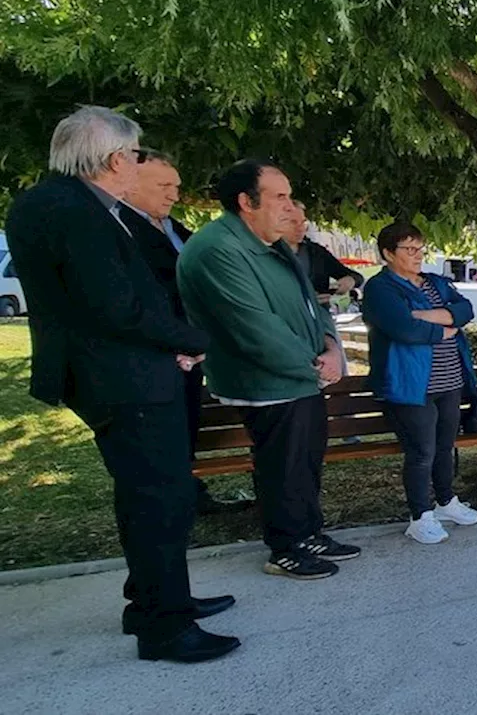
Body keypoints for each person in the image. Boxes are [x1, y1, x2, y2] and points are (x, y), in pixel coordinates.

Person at [5, 106, 238, 662]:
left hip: (120, 372)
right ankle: (166, 627)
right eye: (136, 155)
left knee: (152, 494)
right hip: (122, 378)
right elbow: (119, 306)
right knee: (161, 498)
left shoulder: (56, 202)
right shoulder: (74, 210)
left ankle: (155, 599)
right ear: (115, 159)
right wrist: (196, 340)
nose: (138, 164)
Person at [178, 159, 360, 580]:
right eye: (279, 196)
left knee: (305, 461)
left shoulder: (272, 244)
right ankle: (286, 547)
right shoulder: (218, 250)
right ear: (246, 201)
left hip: (303, 376)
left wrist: (332, 347)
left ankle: (309, 533)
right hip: (267, 382)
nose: (289, 206)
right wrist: (315, 368)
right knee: (282, 465)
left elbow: (313, 307)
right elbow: (255, 329)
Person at [118, 149, 245, 515]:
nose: (174, 194)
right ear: (129, 184)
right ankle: (171, 502)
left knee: (185, 423)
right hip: (158, 353)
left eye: (176, 185)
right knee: (159, 440)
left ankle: (187, 491)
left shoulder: (177, 230)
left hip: (193, 350)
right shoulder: (120, 229)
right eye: (164, 185)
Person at [362, 221, 477, 544]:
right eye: (409, 249)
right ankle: (420, 516)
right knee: (421, 451)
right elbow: (403, 329)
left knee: (445, 446)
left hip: (449, 380)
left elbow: (465, 310)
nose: (418, 255)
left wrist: (425, 315)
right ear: (388, 253)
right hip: (409, 386)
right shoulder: (380, 289)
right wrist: (443, 325)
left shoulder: (434, 283)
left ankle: (445, 502)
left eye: (420, 248)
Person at [281, 203, 364, 305]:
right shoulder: (268, 254)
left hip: (321, 316)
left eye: (303, 223)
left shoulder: (317, 252)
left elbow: (356, 277)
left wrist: (351, 280)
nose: (300, 228)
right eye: (293, 222)